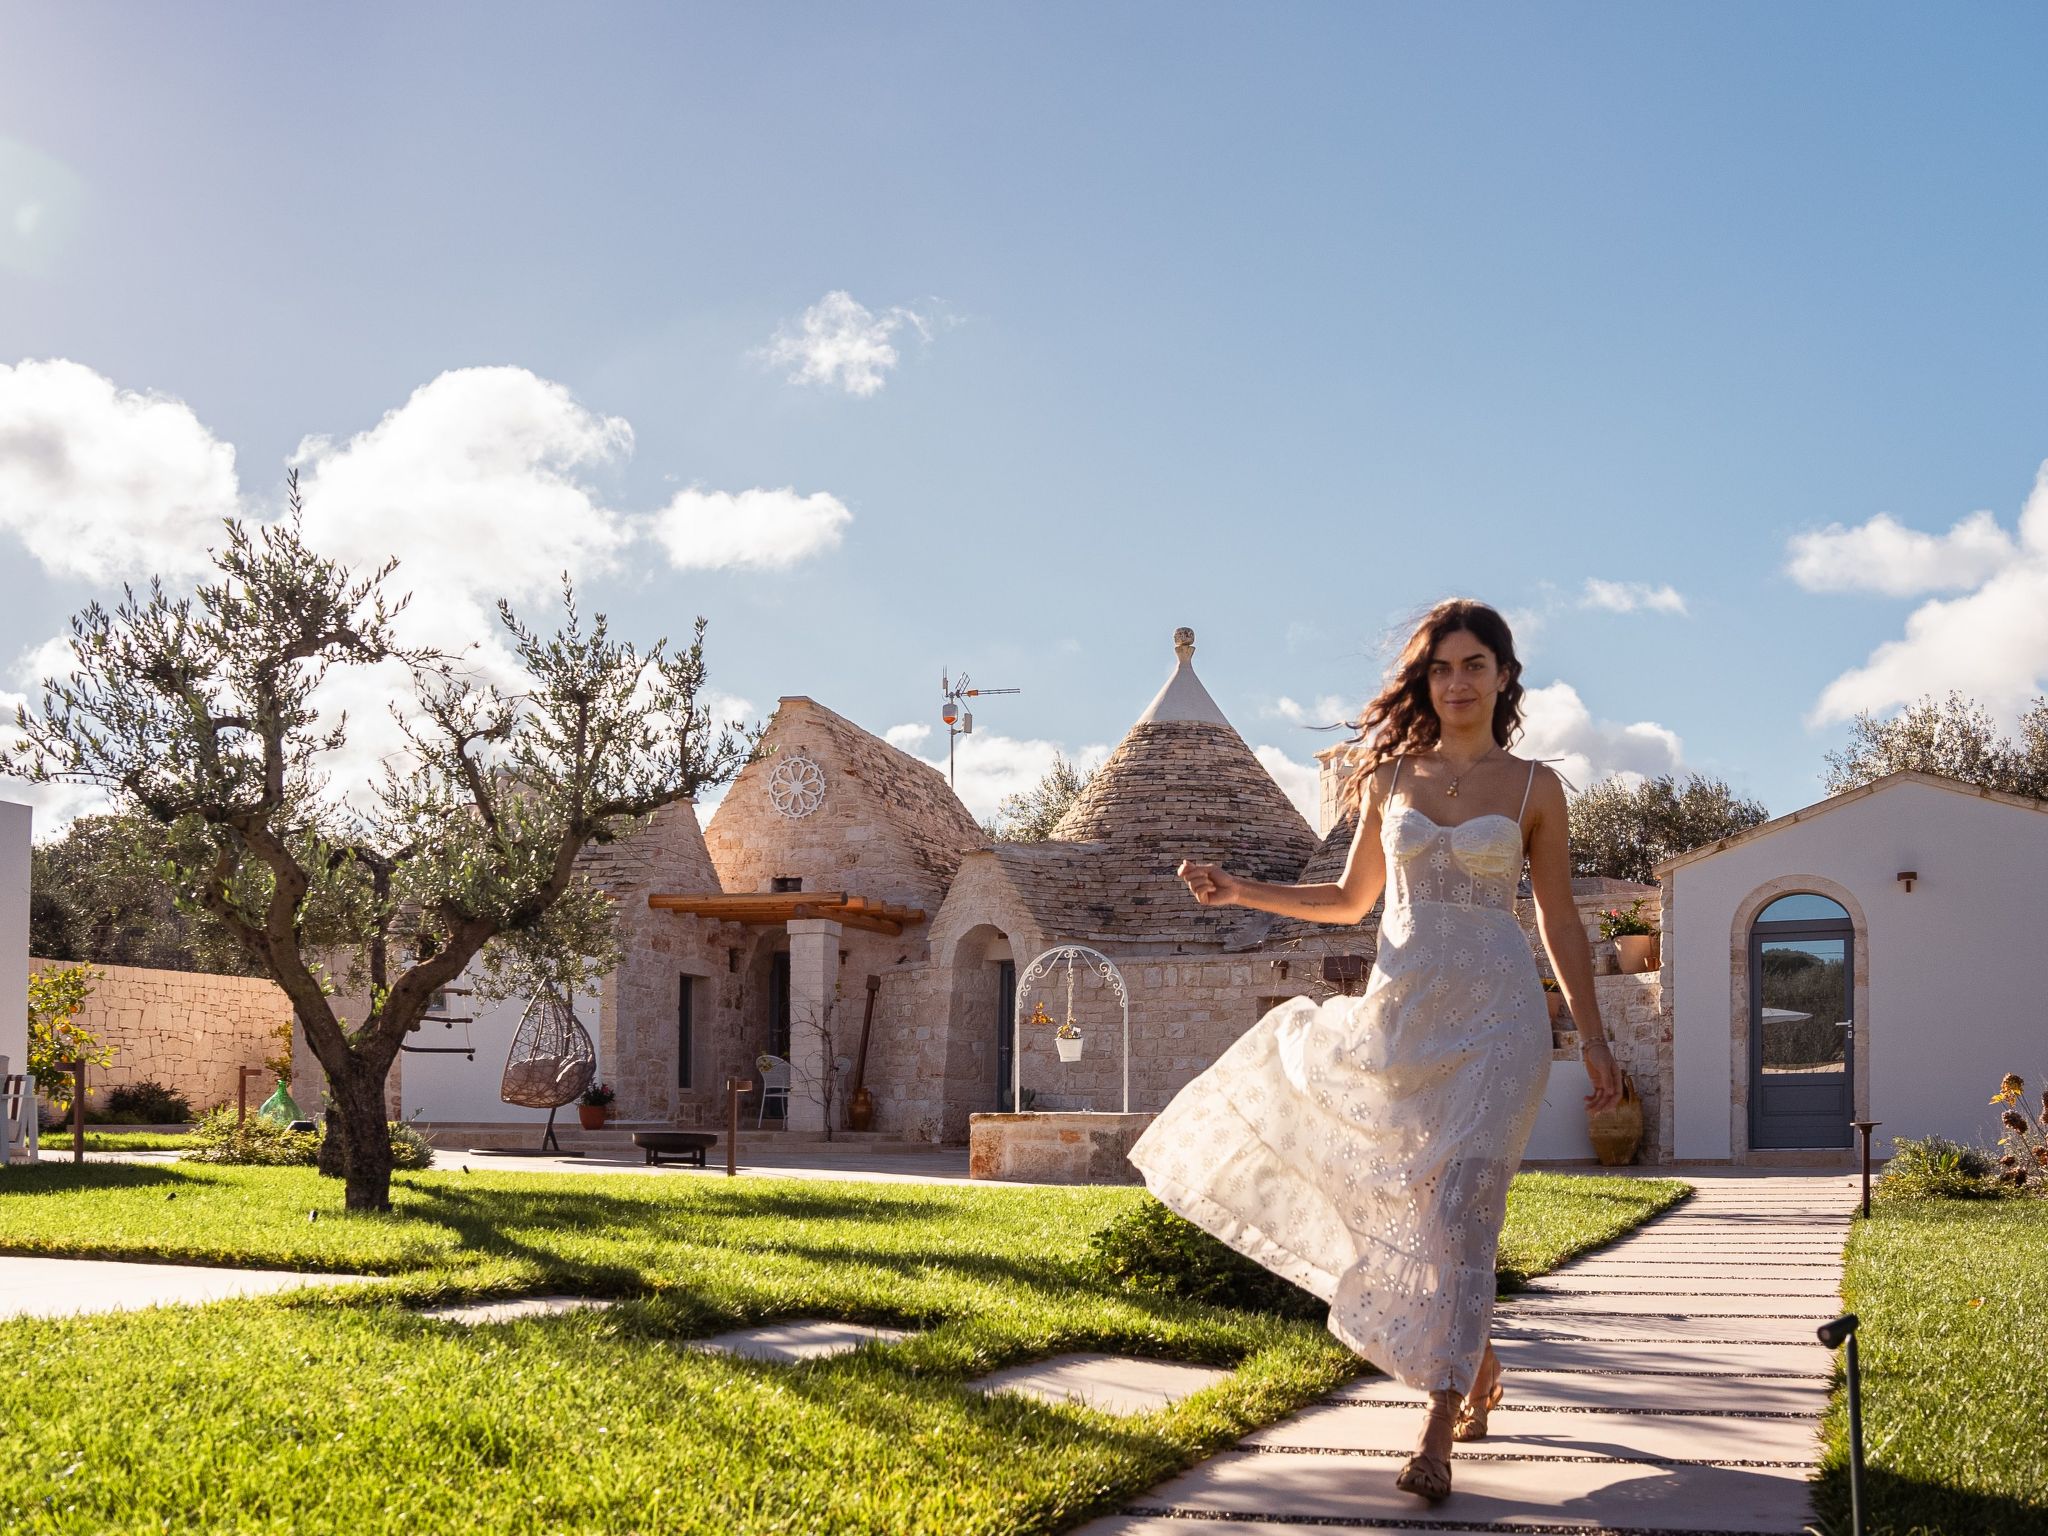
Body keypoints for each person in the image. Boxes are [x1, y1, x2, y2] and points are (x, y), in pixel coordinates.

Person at [1128, 598, 1622, 1504]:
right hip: (1403, 1020)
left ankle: (1435, 1429)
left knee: (1465, 1212)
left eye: (1474, 665)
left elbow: (1557, 920)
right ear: (1424, 681)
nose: (1457, 682)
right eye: (1441, 668)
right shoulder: (1390, 778)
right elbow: (1352, 901)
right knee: (1426, 1215)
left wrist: (1590, 1038)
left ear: (1504, 677)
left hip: (1499, 1025)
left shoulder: (1534, 789)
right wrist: (1242, 890)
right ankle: (1475, 1357)